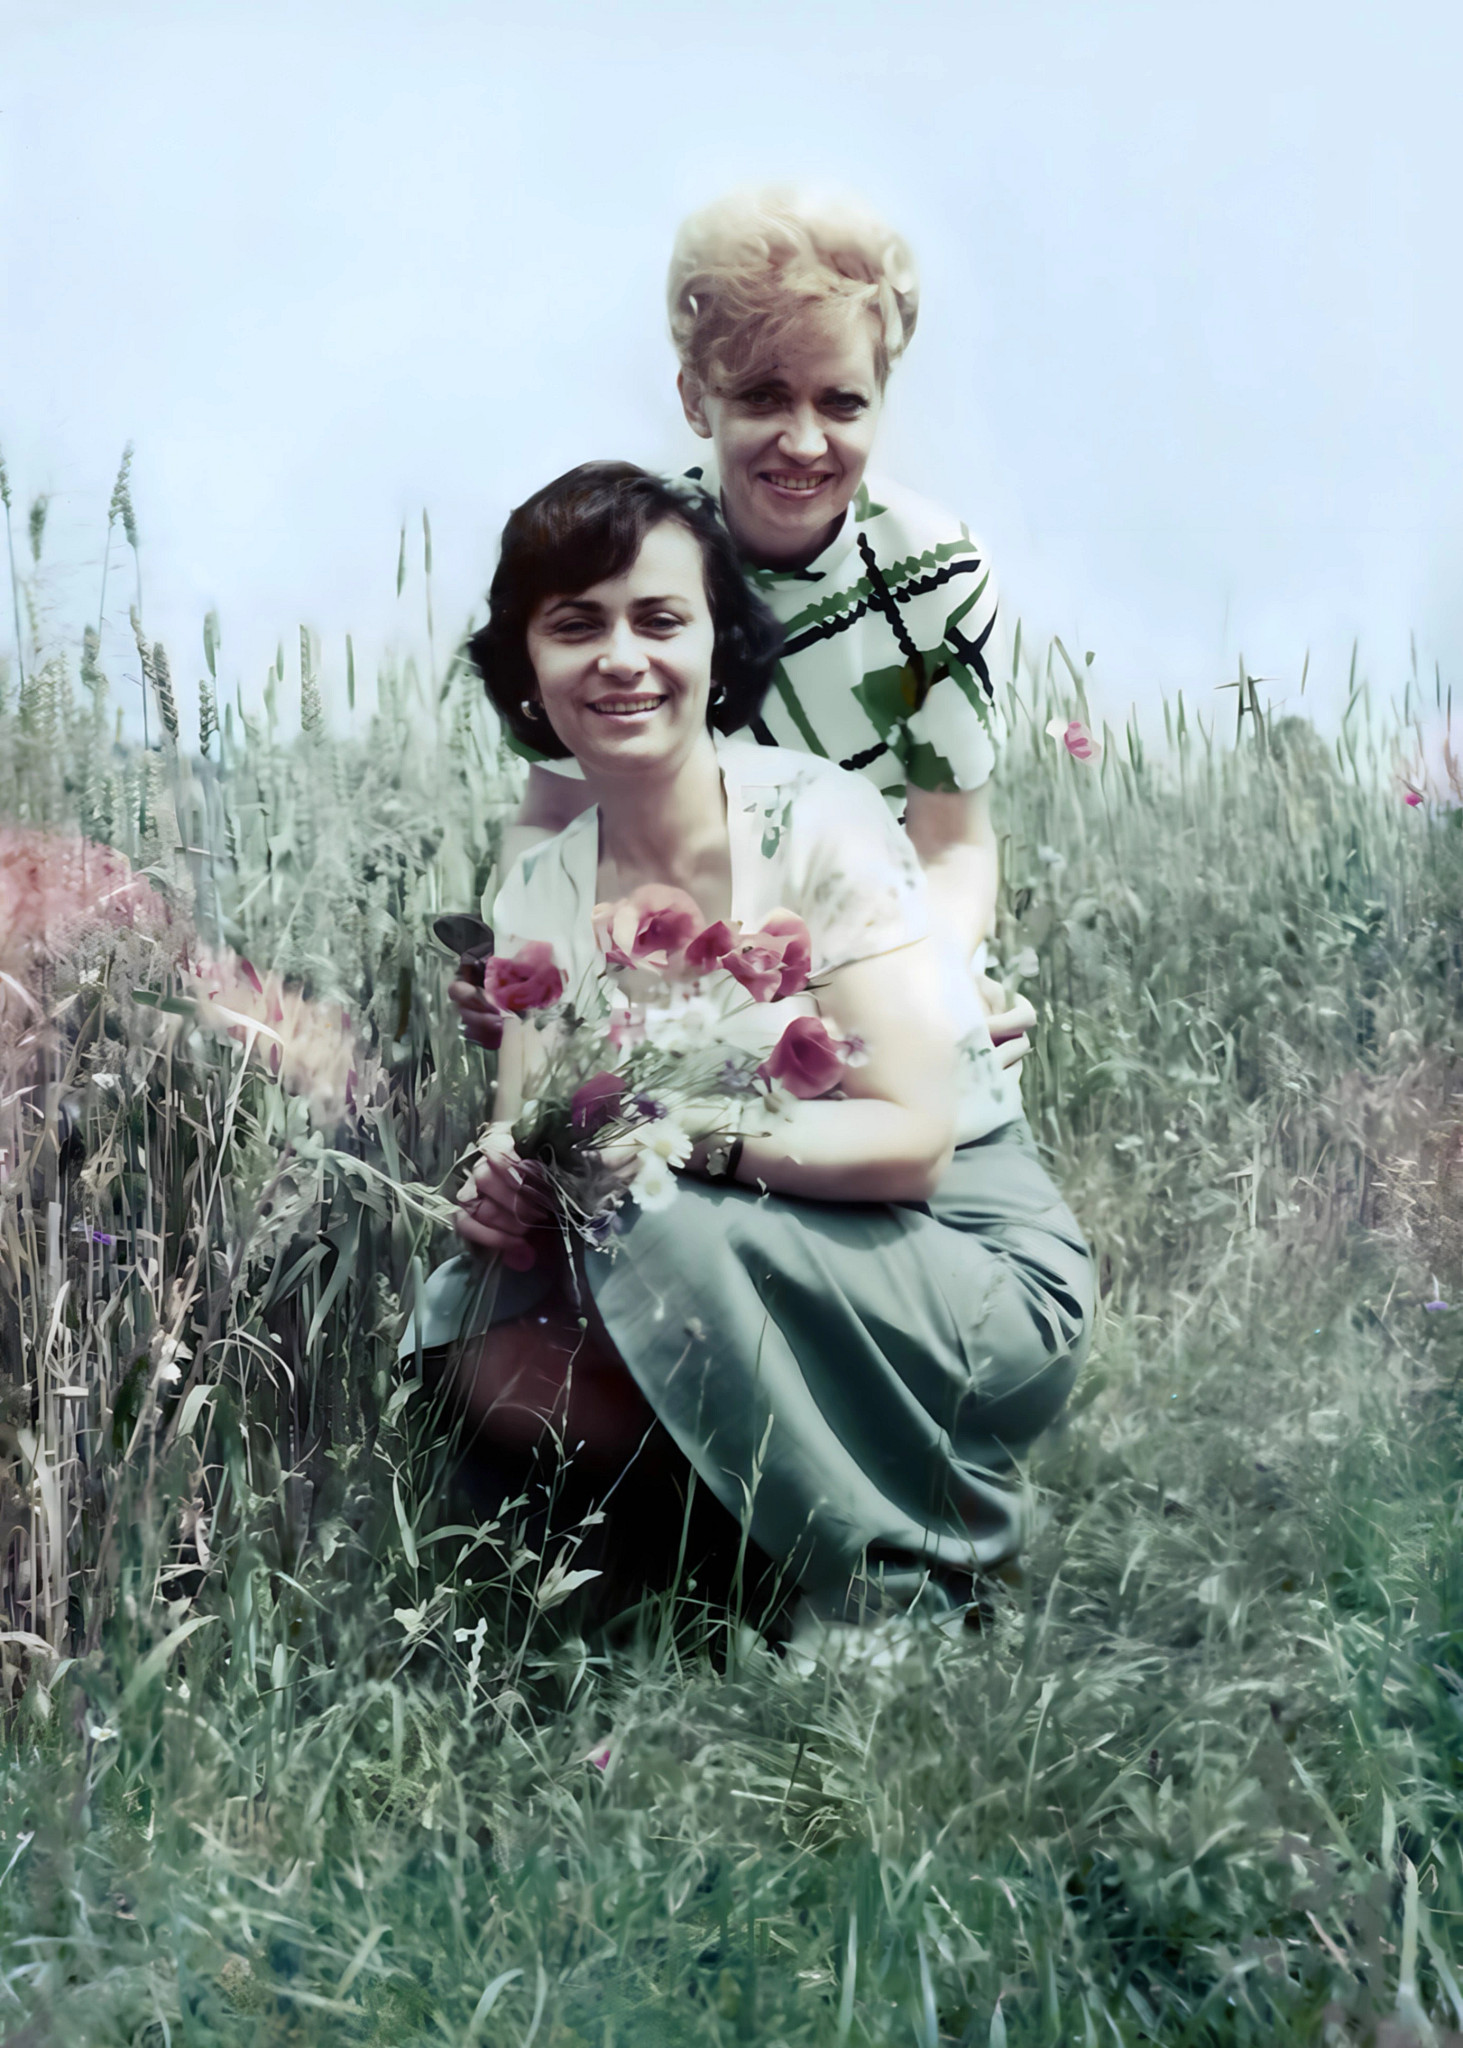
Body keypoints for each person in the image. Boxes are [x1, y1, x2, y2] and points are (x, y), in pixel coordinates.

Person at [409, 463, 1091, 1630]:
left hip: (957, 1267)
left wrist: (681, 1131)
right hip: (746, 1259)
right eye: (576, 625)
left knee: (649, 1204)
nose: (621, 657)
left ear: (718, 644)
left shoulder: (813, 817)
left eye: (659, 619)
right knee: (473, 1296)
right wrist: (502, 1177)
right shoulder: (536, 896)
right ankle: (602, 1587)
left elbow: (915, 1142)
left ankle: (897, 1591)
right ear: (526, 663)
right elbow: (531, 1126)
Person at [457, 185, 1036, 1078]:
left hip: (879, 958)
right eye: (764, 396)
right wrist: (526, 963)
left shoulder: (939, 577)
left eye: (841, 403)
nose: (804, 442)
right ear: (697, 400)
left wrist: (935, 984)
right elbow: (554, 818)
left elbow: (951, 842)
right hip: (665, 991)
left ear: (880, 401)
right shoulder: (630, 561)